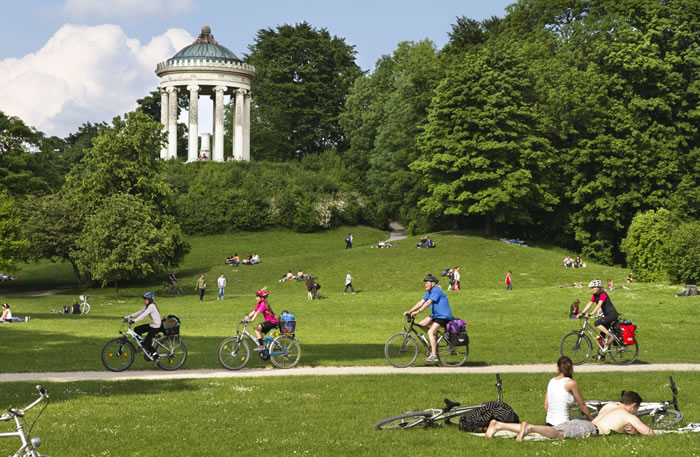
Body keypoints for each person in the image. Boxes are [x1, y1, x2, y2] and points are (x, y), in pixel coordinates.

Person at [486, 390, 653, 440]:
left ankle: (499, 425)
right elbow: (649, 432)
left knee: (544, 432)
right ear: (634, 405)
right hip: (589, 429)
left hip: (581, 422)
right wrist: (637, 431)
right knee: (558, 435)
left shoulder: (610, 405)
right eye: (636, 410)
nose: (636, 413)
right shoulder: (629, 416)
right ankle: (528, 427)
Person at [403, 274, 453, 362]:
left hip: (443, 316)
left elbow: (428, 303)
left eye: (427, 283)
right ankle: (435, 338)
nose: (425, 284)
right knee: (421, 324)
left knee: (430, 332)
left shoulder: (436, 290)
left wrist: (417, 312)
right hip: (435, 315)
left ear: (433, 284)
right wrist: (410, 311)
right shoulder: (429, 292)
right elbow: (421, 302)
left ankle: (434, 355)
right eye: (425, 283)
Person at [544, 356, 594, 426]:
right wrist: (592, 419)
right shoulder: (571, 383)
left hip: (549, 423)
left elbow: (546, 406)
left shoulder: (551, 381)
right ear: (572, 368)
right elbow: (582, 405)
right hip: (563, 424)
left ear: (557, 368)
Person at [578, 279, 620, 360]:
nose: (591, 289)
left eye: (593, 287)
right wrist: (582, 313)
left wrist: (591, 313)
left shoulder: (603, 294)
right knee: (601, 336)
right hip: (607, 315)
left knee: (597, 323)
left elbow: (599, 305)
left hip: (612, 315)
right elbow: (589, 304)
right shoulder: (595, 295)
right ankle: (601, 354)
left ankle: (611, 336)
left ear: (597, 288)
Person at [124, 292, 162, 361]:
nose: (144, 300)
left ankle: (156, 357)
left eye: (145, 299)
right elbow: (140, 312)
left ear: (150, 299)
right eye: (144, 299)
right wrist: (129, 316)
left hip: (155, 327)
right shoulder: (148, 306)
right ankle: (143, 346)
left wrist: (134, 321)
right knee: (137, 329)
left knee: (147, 343)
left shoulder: (151, 306)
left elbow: (143, 315)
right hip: (152, 325)